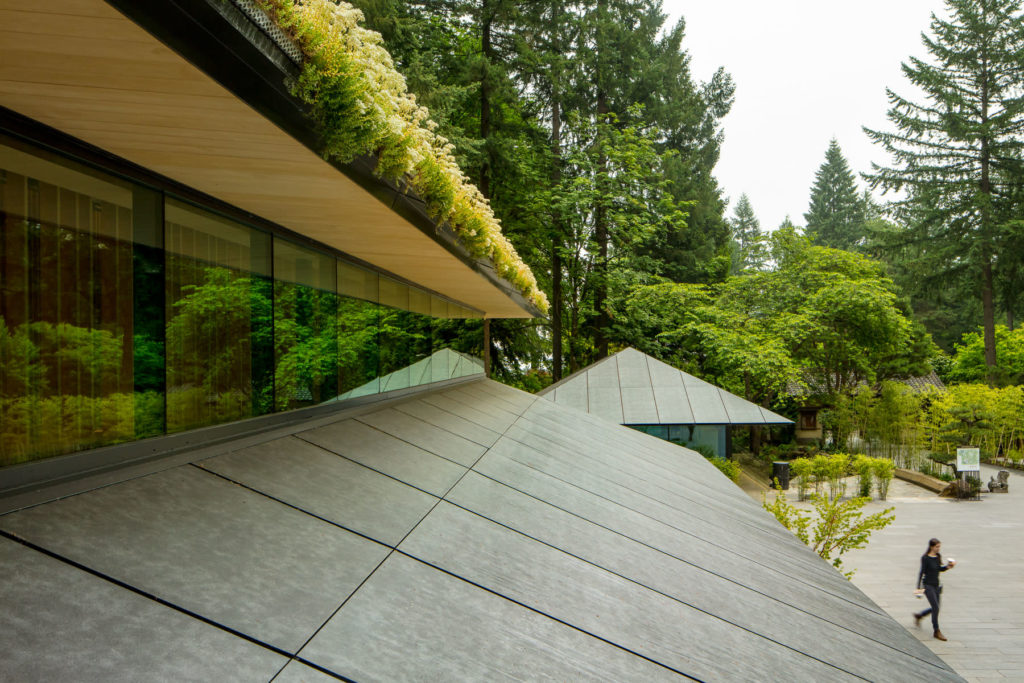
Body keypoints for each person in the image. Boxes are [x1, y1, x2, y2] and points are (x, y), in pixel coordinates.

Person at [913, 538, 955, 641]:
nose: (938, 548)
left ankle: (920, 615)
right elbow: (921, 572)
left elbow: (939, 569)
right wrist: (918, 587)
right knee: (935, 607)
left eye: (939, 546)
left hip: (937, 585)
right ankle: (936, 631)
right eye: (937, 547)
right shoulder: (925, 558)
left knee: (936, 607)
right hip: (928, 585)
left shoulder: (938, 557)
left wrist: (948, 567)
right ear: (931, 546)